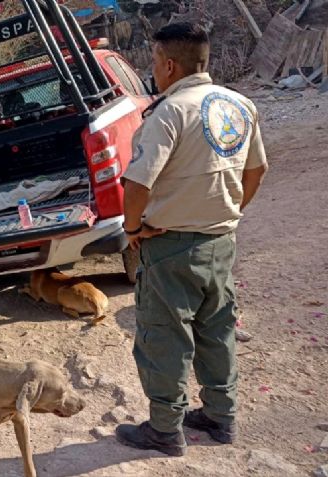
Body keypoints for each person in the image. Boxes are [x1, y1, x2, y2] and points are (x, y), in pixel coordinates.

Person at [115, 23, 267, 456]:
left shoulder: (169, 111)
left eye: (153, 61)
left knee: (164, 336)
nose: (152, 70)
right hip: (221, 241)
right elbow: (257, 170)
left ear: (168, 64)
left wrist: (131, 230)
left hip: (171, 244)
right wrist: (232, 211)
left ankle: (164, 428)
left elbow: (138, 183)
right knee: (217, 329)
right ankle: (222, 416)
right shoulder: (240, 105)